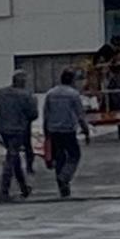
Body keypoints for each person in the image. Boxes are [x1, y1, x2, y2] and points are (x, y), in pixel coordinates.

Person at [0, 72, 39, 202]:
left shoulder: (1, 93)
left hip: (4, 130)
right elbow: (33, 114)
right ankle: (4, 191)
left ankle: (23, 188)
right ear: (22, 82)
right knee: (11, 158)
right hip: (18, 130)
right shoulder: (26, 95)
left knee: (14, 157)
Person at [41, 69, 91, 198]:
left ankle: (62, 186)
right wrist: (85, 131)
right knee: (75, 155)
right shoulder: (73, 94)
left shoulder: (50, 93)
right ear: (72, 80)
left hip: (53, 130)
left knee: (59, 158)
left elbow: (46, 114)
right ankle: (65, 177)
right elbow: (80, 115)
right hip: (68, 130)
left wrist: (45, 131)